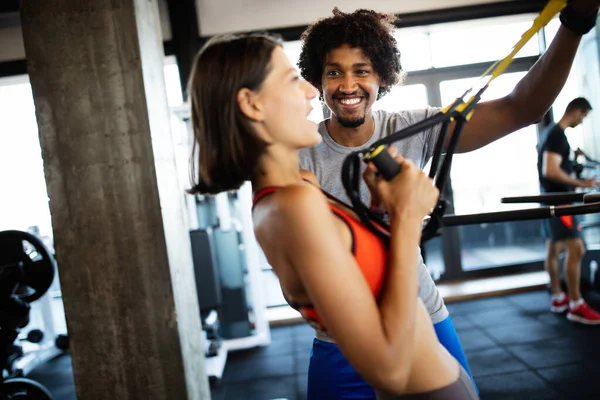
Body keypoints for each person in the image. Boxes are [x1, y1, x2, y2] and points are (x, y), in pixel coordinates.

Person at [296, 4, 598, 398]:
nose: (347, 85)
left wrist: (574, 25)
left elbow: (521, 107)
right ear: (318, 79)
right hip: (341, 337)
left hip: (422, 316)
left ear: (381, 76)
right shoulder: (301, 152)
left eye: (361, 70)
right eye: (334, 71)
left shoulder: (408, 128)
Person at [187, 33, 479, 399]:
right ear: (251, 104)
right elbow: (389, 368)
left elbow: (351, 275)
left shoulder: (294, 191)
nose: (312, 92)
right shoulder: (294, 206)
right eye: (293, 80)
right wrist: (406, 217)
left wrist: (380, 209)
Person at [537, 97, 600, 324]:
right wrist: (581, 184)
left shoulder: (550, 133)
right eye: (582, 116)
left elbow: (555, 165)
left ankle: (557, 296)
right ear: (575, 111)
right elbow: (550, 170)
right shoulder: (557, 135)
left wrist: (573, 161)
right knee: (577, 248)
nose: (581, 121)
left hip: (549, 199)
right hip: (561, 201)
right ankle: (576, 304)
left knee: (553, 248)